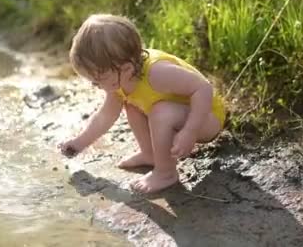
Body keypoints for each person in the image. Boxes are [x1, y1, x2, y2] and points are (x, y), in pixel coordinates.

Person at [58, 14, 225, 193]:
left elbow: (203, 88)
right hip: (178, 115)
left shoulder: (157, 73)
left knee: (161, 112)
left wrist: (190, 131)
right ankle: (150, 154)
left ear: (126, 68)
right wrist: (78, 143)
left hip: (206, 118)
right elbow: (105, 117)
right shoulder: (120, 81)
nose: (95, 86)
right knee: (132, 106)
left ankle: (166, 173)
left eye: (98, 80)